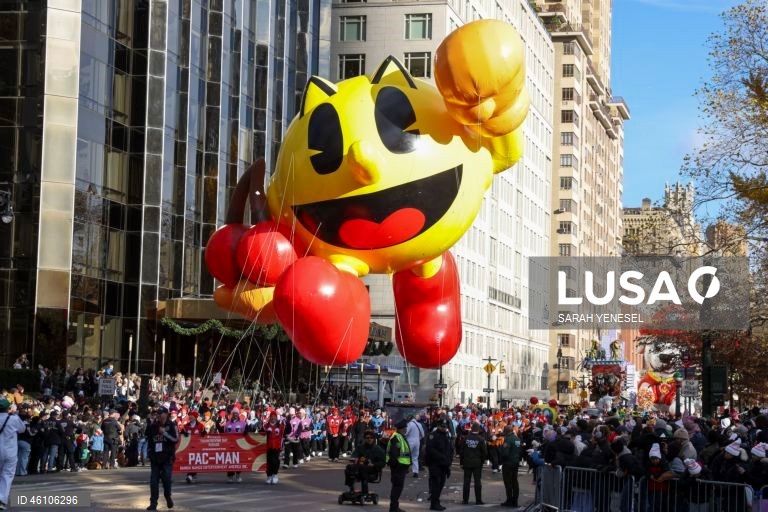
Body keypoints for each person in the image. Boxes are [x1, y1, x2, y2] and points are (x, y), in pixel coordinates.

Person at [145, 406, 178, 511]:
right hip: (155, 458)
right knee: (153, 482)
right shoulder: (153, 426)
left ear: (166, 414)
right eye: (157, 413)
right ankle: (153, 503)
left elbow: (175, 439)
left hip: (167, 458)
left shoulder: (172, 425)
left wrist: (164, 433)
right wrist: (149, 453)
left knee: (166, 480)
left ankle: (168, 496)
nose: (159, 415)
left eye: (161, 413)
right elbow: (148, 438)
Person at [0, 398, 25, 510]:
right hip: (10, 451)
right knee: (7, 475)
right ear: (7, 408)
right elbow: (22, 429)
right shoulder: (14, 419)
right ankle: (1, 499)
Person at [344, 429, 385, 496]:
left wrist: (374, 464)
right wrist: (354, 459)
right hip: (359, 467)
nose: (369, 439)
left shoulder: (379, 450)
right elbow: (353, 456)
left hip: (372, 470)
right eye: (367, 438)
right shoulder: (360, 447)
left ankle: (365, 491)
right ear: (365, 439)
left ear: (374, 439)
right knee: (349, 467)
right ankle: (351, 489)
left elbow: (382, 463)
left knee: (363, 468)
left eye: (371, 438)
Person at [425, 419, 452, 511]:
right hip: (435, 464)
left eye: (446, 427)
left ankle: (436, 501)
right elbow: (430, 449)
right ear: (439, 426)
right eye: (443, 426)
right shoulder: (433, 435)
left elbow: (448, 450)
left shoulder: (446, 436)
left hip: (444, 465)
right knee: (436, 485)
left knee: (441, 484)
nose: (445, 428)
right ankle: (434, 503)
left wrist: (448, 464)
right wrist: (442, 457)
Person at [386, 420, 412, 512]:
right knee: (397, 488)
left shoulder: (400, 436)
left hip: (401, 466)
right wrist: (396, 466)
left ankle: (394, 507)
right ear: (400, 429)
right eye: (404, 428)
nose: (406, 430)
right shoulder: (396, 438)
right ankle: (393, 508)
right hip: (398, 467)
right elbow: (394, 454)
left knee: (397, 488)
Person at [459, 422, 487, 505]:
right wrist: (481, 462)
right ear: (478, 429)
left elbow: (462, 451)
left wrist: (461, 462)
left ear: (471, 429)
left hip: (467, 462)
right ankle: (478, 500)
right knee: (477, 482)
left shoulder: (466, 438)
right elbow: (484, 453)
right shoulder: (481, 439)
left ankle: (465, 500)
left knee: (466, 482)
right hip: (477, 463)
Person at [499, 424, 522, 508]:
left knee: (508, 482)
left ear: (506, 431)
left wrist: (501, 452)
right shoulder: (517, 439)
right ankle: (515, 501)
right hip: (515, 462)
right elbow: (520, 450)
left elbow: (505, 453)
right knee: (515, 482)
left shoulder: (508, 439)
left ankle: (509, 500)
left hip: (508, 463)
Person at [261, 411, 285, 484]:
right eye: (272, 417)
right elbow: (261, 434)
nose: (273, 419)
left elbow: (283, 435)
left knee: (275, 462)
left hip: (277, 447)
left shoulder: (280, 426)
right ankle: (269, 476)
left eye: (274, 417)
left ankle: (275, 475)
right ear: (270, 418)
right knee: (268, 462)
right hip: (268, 447)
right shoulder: (266, 426)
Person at [182, 411, 205, 484]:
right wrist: (183, 433)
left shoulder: (201, 426)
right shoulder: (186, 426)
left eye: (192, 416)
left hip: (198, 447)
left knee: (195, 461)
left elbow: (205, 436)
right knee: (189, 461)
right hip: (188, 447)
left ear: (195, 417)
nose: (190, 417)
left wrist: (204, 434)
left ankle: (190, 475)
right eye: (190, 416)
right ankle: (191, 475)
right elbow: (181, 435)